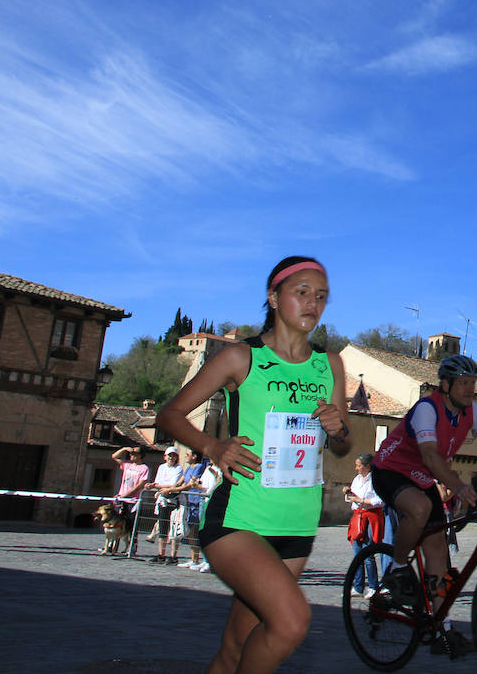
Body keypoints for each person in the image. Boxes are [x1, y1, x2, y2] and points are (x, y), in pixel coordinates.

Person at [156, 256, 351, 674]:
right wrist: (212, 446)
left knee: (234, 651)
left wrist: (338, 429)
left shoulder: (330, 364)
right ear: (274, 297)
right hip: (240, 519)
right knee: (291, 622)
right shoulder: (241, 358)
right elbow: (169, 416)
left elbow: (339, 446)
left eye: (321, 296)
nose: (312, 303)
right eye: (301, 292)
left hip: (298, 524)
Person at [372, 353, 477, 658]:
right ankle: (396, 568)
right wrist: (458, 485)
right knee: (419, 509)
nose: (470, 389)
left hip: (423, 479)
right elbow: (431, 455)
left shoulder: (472, 412)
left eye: (473, 382)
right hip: (390, 470)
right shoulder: (426, 409)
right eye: (463, 383)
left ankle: (442, 629)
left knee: (439, 560)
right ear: (445, 385)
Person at [344, 452, 389, 597]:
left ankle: (373, 585)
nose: (356, 468)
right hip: (358, 516)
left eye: (359, 465)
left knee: (367, 552)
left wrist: (362, 501)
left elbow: (379, 500)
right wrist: (349, 493)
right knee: (357, 552)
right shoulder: (357, 479)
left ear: (367, 466)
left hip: (371, 516)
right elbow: (352, 499)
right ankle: (358, 586)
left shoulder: (375, 480)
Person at [149, 446, 187, 564]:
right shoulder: (161, 467)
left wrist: (160, 486)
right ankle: (161, 554)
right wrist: (156, 486)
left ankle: (173, 556)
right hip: (163, 500)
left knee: (174, 528)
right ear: (165, 457)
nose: (171, 457)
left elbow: (173, 484)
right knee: (163, 527)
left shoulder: (178, 468)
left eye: (173, 455)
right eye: (169, 455)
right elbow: (159, 482)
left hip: (174, 501)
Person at [177, 449, 210, 570]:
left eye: (187, 455)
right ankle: (193, 559)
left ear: (194, 456)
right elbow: (180, 482)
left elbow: (190, 484)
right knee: (191, 532)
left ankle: (198, 559)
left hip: (196, 501)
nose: (185, 457)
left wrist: (174, 490)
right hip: (188, 502)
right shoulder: (188, 468)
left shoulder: (199, 467)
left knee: (195, 531)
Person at [111, 446, 151, 521]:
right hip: (122, 499)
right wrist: (124, 449)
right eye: (130, 453)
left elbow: (139, 486)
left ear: (140, 455)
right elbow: (114, 456)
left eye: (134, 453)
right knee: (121, 523)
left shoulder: (144, 468)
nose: (131, 455)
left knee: (130, 523)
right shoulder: (127, 464)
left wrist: (125, 496)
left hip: (133, 501)